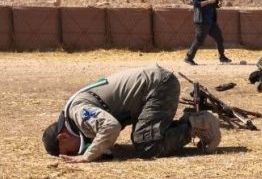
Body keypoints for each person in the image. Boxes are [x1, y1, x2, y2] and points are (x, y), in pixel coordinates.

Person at [42, 65, 221, 162]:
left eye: (69, 151)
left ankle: (199, 124)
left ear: (62, 137)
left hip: (159, 87)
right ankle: (192, 121)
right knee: (144, 137)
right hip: (154, 87)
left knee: (147, 146)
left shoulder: (77, 112)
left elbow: (110, 126)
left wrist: (87, 156)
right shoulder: (74, 114)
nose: (74, 152)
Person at [185, 0, 230, 65]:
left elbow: (215, 5)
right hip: (202, 22)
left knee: (219, 38)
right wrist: (208, 1)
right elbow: (196, 4)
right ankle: (189, 58)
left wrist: (219, 4)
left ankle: (222, 57)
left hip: (211, 22)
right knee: (199, 40)